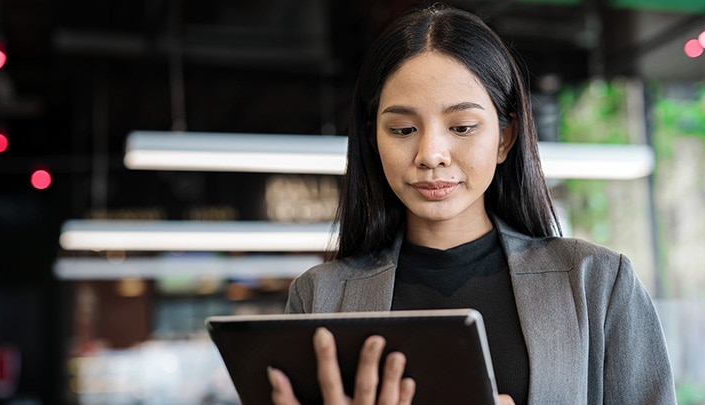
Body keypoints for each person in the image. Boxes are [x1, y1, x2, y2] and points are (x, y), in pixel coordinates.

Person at [267, 3, 677, 404]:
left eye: (462, 127)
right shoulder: (319, 298)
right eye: (403, 128)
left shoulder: (598, 283)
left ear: (505, 137)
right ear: (373, 139)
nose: (431, 154)